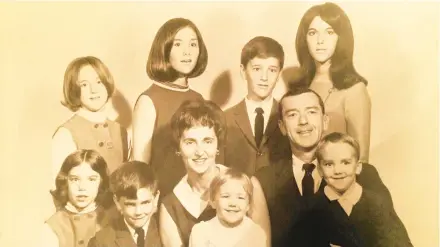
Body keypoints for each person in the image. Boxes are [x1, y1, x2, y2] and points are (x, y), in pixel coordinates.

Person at [249, 85, 393, 247]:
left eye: (311, 112)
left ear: (325, 121)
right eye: (293, 114)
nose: (303, 121)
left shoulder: (363, 174)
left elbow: (394, 240)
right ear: (282, 127)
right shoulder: (263, 181)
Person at [131, 18, 208, 196]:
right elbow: (140, 167)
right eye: (178, 44)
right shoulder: (149, 100)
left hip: (199, 196)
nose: (187, 52)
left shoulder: (198, 99)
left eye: (193, 44)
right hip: (164, 196)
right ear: (164, 50)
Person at [297, 132, 412, 247]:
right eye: (329, 164)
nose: (338, 170)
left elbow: (399, 243)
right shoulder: (311, 209)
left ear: (358, 167)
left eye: (346, 162)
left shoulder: (377, 204)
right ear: (320, 170)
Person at [294, 2, 371, 162]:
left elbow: (361, 159)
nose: (320, 40)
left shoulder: (354, 90)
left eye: (329, 32)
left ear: (340, 38)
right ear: (304, 39)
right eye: (313, 33)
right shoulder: (299, 87)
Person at [52, 56, 129, 187]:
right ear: (74, 89)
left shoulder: (120, 130)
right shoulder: (66, 134)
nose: (94, 90)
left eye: (99, 82)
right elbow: (60, 189)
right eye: (84, 85)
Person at [159, 100, 227, 247]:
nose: (199, 152)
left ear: (217, 145)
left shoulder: (243, 186)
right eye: (190, 142)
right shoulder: (170, 205)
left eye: (207, 141)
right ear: (178, 148)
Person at [221, 36, 290, 176]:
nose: (264, 78)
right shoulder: (225, 118)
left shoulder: (288, 116)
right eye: (257, 69)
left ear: (279, 74)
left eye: (272, 70)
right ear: (243, 71)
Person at [42, 149, 112, 247]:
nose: (82, 187)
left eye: (91, 179)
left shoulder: (110, 222)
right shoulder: (54, 226)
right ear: (65, 181)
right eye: (75, 179)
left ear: (101, 182)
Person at [88, 161, 162, 247]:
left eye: (145, 203)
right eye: (130, 204)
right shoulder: (101, 242)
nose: (138, 212)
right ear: (117, 202)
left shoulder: (167, 233)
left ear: (156, 198)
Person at [189, 168, 267, 247]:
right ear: (213, 201)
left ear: (248, 205)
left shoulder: (256, 233)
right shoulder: (201, 232)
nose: (233, 203)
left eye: (240, 198)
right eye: (225, 196)